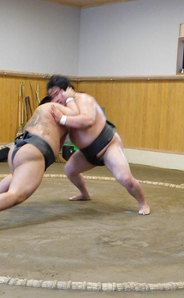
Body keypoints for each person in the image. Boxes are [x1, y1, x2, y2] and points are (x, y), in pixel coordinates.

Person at [48, 75, 150, 215]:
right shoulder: (65, 110)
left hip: (107, 146)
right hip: (87, 153)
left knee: (125, 179)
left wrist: (63, 119)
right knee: (70, 170)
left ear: (67, 89)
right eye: (52, 96)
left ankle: (143, 204)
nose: (55, 99)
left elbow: (88, 120)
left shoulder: (83, 99)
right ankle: (85, 194)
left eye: (56, 93)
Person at [0, 101, 69, 234]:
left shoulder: (41, 111)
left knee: (16, 177)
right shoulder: (64, 114)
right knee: (17, 194)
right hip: (35, 150)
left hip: (18, 146)